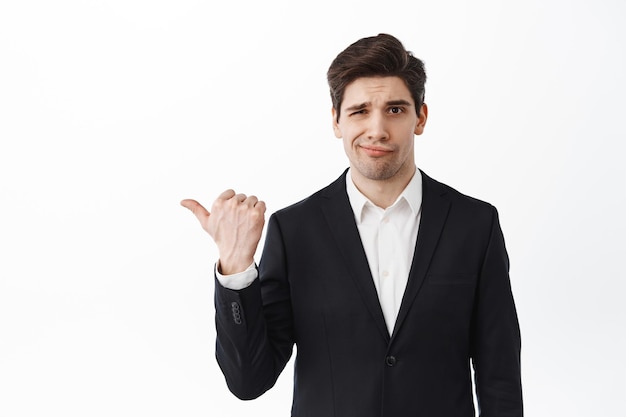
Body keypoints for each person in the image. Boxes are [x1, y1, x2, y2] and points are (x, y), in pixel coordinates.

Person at [181, 33, 523, 416]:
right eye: (360, 111)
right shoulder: (294, 231)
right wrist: (236, 267)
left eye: (395, 110)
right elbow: (249, 382)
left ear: (420, 117)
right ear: (336, 121)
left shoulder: (475, 224)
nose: (377, 129)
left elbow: (500, 377)